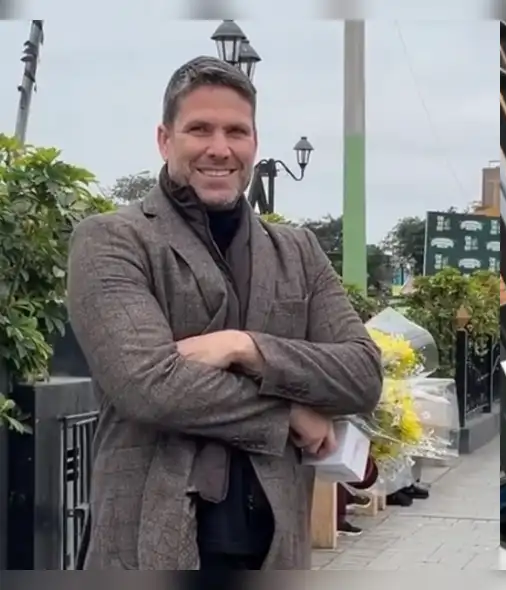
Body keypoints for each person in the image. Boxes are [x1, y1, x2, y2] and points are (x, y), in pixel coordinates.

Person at [66, 56, 383, 570]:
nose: (220, 148)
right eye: (200, 129)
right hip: (153, 540)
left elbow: (363, 374)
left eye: (237, 131)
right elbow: (148, 386)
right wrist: (287, 413)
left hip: (274, 547)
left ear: (255, 144)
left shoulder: (297, 250)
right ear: (165, 140)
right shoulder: (112, 241)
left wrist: (246, 347)